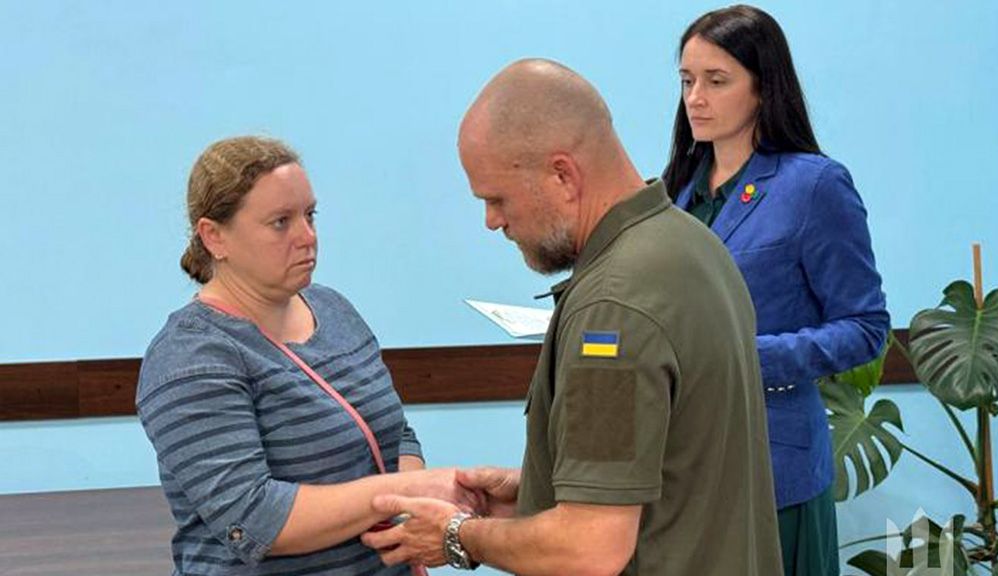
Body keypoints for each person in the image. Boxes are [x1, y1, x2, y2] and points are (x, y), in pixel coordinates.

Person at [361, 59, 783, 576]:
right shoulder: (692, 246)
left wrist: (458, 536)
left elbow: (590, 548)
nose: (492, 221)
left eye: (497, 198)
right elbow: (676, 476)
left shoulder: (613, 308)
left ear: (562, 175)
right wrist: (535, 494)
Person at [136, 136, 475, 575]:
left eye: (309, 215)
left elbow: (396, 437)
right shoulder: (190, 357)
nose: (307, 237)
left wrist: (413, 508)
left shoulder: (334, 310)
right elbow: (255, 518)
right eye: (280, 222)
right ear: (214, 237)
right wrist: (406, 490)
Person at [663, 6, 891, 576]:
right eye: (687, 81)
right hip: (679, 463)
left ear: (764, 87)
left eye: (717, 81)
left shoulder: (814, 185)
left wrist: (747, 359)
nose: (696, 98)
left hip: (772, 464)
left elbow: (865, 327)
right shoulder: (674, 192)